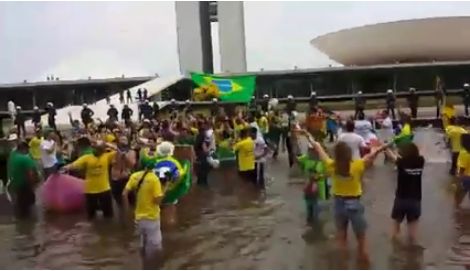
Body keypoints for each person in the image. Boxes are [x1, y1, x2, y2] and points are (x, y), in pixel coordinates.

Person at [302, 130, 387, 262]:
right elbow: (372, 155)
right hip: (354, 203)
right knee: (361, 239)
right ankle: (364, 262)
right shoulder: (357, 165)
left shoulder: (331, 166)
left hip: (338, 204)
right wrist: (381, 147)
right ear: (349, 154)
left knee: (341, 238)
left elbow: (317, 146)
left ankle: (344, 264)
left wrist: (307, 134)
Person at [122, 157, 166, 269]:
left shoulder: (135, 176)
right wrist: (165, 188)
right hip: (152, 218)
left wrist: (127, 212)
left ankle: (142, 265)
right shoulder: (154, 179)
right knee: (155, 249)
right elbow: (157, 201)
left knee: (142, 244)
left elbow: (124, 194)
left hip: (138, 217)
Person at [63, 141, 116, 220]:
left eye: (100, 149)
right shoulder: (87, 157)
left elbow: (119, 151)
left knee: (108, 215)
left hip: (104, 189)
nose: (98, 151)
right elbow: (74, 164)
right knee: (91, 216)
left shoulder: (107, 156)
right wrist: (64, 168)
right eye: (97, 149)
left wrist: (106, 144)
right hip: (90, 190)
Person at [385, 143, 424, 245]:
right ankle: (412, 252)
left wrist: (385, 147)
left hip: (401, 199)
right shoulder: (421, 161)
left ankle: (396, 250)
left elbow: (391, 156)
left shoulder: (401, 162)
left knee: (395, 228)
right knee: (412, 233)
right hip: (415, 200)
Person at [7, 140, 39, 218]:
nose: (28, 151)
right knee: (28, 202)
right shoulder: (25, 159)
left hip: (14, 182)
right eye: (27, 150)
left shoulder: (12, 156)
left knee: (19, 201)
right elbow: (30, 173)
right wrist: (33, 182)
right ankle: (26, 220)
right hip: (24, 184)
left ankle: (20, 216)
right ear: (24, 149)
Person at [111, 135, 137, 209]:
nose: (123, 141)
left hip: (127, 179)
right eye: (121, 139)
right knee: (118, 201)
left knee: (130, 201)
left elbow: (132, 165)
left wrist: (124, 156)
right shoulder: (113, 152)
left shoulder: (132, 152)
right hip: (115, 180)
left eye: (125, 139)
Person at [250, 127, 269, 191]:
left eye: (250, 132)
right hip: (252, 161)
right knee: (253, 176)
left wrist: (260, 156)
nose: (249, 134)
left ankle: (261, 189)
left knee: (260, 176)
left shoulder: (260, 140)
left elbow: (267, 150)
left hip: (260, 161)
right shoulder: (249, 140)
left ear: (254, 133)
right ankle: (254, 190)